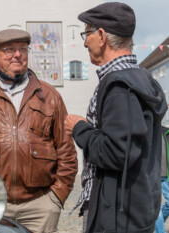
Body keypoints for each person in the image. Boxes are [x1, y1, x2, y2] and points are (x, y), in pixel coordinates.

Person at [0, 28, 78, 233]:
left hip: (40, 207)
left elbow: (66, 151)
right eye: (9, 50)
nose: (17, 55)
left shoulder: (50, 96)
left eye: (22, 49)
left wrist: (56, 198)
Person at [64, 2, 168, 233]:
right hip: (132, 208)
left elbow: (116, 153)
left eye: (86, 33)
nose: (84, 42)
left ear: (101, 36)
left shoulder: (120, 86)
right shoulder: (140, 78)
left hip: (120, 215)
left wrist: (79, 128)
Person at [155, 126, 169, 233]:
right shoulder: (148, 133)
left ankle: (156, 226)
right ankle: (160, 230)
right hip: (153, 177)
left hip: (165, 176)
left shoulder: (165, 133)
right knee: (157, 207)